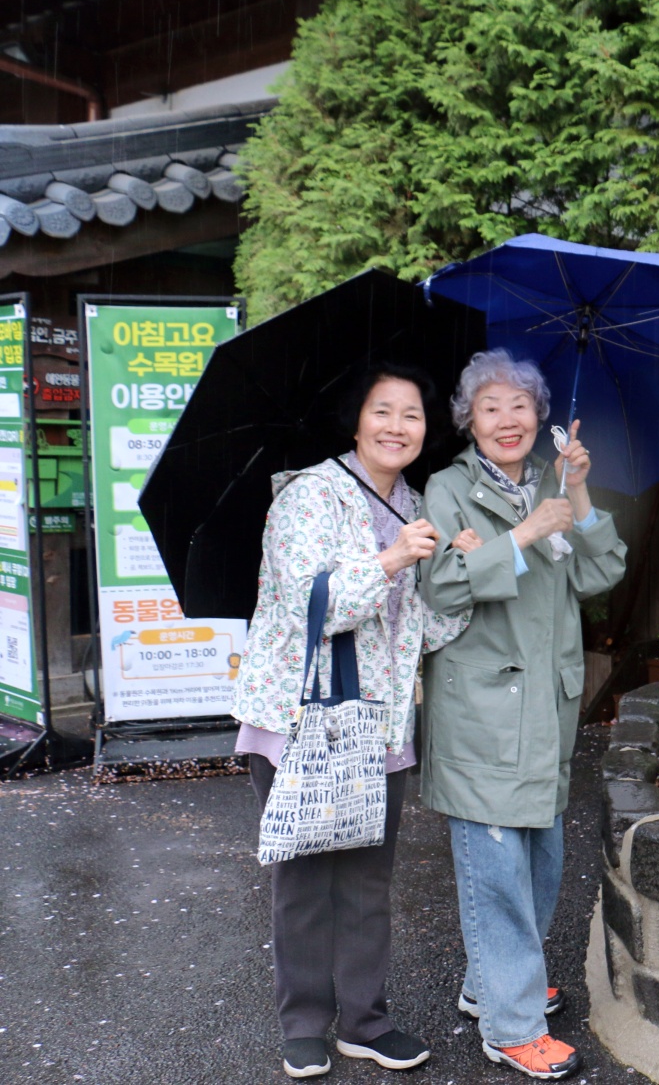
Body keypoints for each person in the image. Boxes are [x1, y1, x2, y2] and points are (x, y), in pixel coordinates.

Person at [232, 365, 472, 1079]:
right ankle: (304, 1023)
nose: (397, 427)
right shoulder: (309, 495)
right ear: (356, 420)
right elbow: (313, 606)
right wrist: (393, 558)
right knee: (306, 880)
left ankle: (365, 1021)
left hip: (380, 724)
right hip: (300, 719)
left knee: (368, 883)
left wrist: (463, 575)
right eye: (382, 411)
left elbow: (420, 629)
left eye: (412, 414)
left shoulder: (416, 503)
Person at [418, 349, 626, 1081]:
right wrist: (526, 534)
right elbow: (441, 586)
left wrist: (580, 491)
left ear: (540, 415)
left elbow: (602, 572)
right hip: (482, 710)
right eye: (490, 407)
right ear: (469, 420)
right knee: (497, 865)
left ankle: (492, 985)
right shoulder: (447, 488)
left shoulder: (552, 479)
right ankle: (511, 1026)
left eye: (520, 406)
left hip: (547, 708)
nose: (507, 420)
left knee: (540, 859)